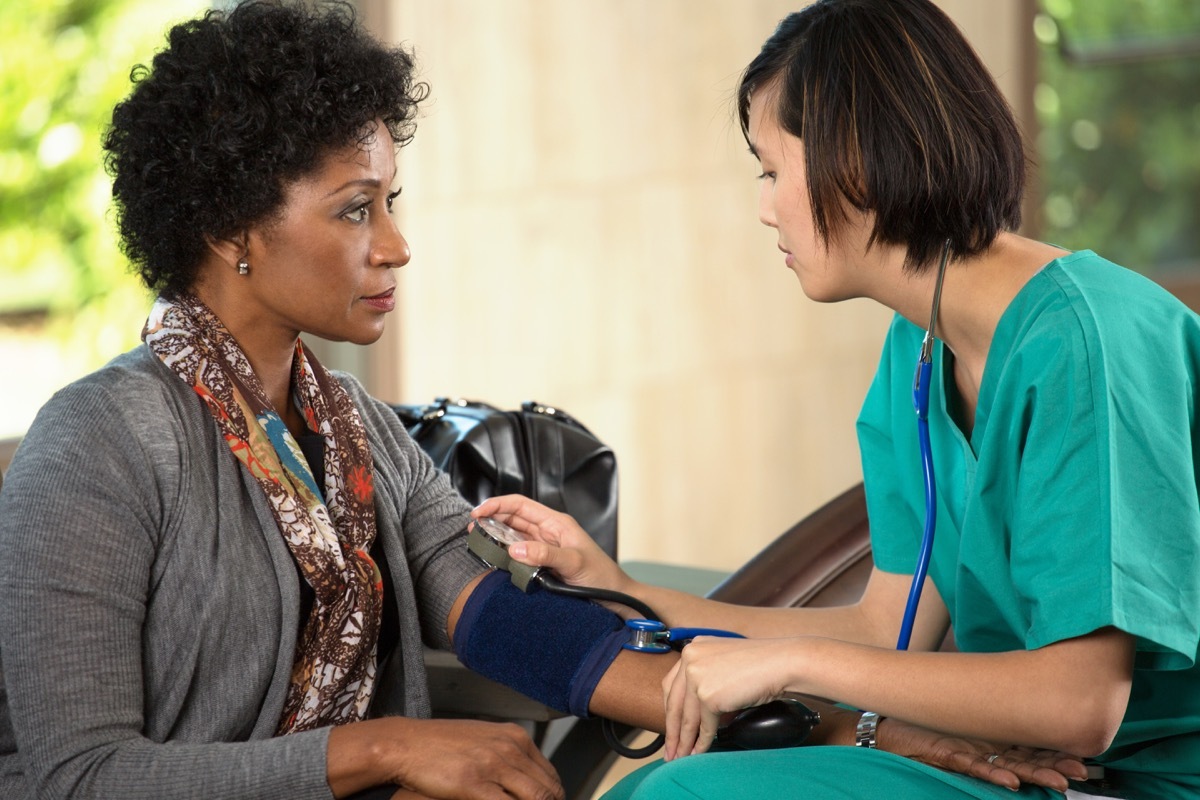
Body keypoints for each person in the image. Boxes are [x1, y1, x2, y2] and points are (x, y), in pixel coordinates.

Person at [0, 1, 1133, 798]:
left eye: (394, 200)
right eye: (356, 210)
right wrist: (387, 749)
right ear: (230, 228)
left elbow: (501, 617)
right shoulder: (99, 443)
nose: (398, 244)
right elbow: (82, 771)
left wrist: (865, 726)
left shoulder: (353, 433)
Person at [475, 1, 1200, 798]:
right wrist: (627, 590)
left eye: (770, 169)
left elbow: (1082, 700)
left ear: (856, 157)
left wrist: (789, 662)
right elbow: (882, 630)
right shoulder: (919, 342)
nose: (762, 206)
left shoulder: (1090, 345)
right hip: (1038, 776)